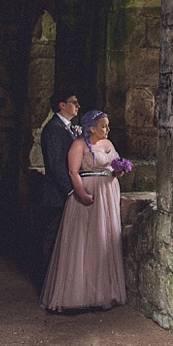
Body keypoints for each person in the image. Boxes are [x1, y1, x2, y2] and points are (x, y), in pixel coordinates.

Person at [40, 109, 127, 312]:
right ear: (91, 127)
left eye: (108, 125)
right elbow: (73, 171)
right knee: (83, 240)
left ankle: (104, 292)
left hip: (107, 193)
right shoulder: (79, 145)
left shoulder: (108, 144)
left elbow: (114, 165)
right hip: (88, 191)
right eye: (103, 126)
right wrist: (81, 193)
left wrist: (120, 170)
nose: (107, 129)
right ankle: (77, 295)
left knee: (103, 238)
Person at [38, 89, 80, 281]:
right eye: (74, 102)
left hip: (62, 194)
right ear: (62, 105)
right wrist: (72, 190)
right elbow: (55, 165)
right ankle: (47, 282)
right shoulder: (54, 129)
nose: (77, 106)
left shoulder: (68, 127)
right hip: (56, 195)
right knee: (52, 238)